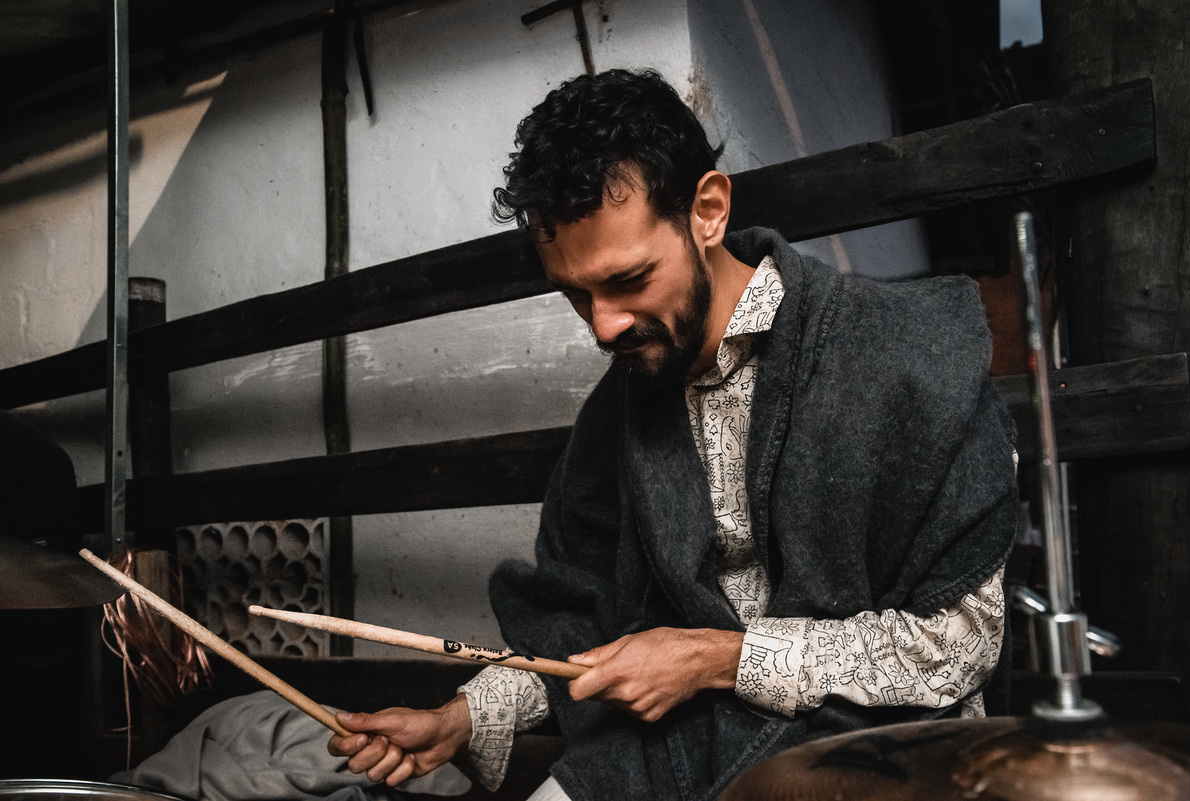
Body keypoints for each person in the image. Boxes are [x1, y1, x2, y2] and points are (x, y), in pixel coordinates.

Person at [328, 68, 1017, 801]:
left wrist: (716, 658)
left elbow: (958, 644)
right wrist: (460, 718)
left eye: (628, 279)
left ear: (708, 211)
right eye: (575, 294)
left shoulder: (898, 360)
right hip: (679, 748)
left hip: (880, 748)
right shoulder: (618, 414)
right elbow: (585, 630)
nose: (602, 325)